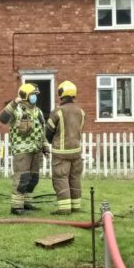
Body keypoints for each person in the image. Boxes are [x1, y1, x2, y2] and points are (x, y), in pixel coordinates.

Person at [0, 83, 48, 215]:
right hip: (22, 151)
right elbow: (2, 118)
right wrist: (14, 103)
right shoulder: (17, 110)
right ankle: (16, 207)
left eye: (36, 95)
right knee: (22, 178)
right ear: (25, 95)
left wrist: (45, 147)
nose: (35, 98)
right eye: (33, 95)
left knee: (33, 178)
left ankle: (26, 202)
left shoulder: (38, 111)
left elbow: (42, 131)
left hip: (36, 150)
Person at [44, 80, 86, 215]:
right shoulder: (81, 112)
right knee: (75, 178)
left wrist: (52, 141)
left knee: (60, 179)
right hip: (76, 152)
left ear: (61, 94)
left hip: (61, 153)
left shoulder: (58, 112)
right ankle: (76, 206)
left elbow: (48, 132)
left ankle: (64, 209)